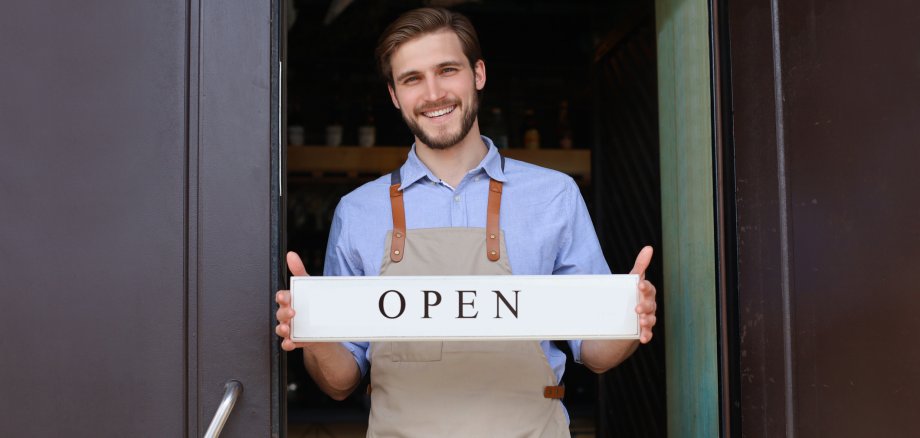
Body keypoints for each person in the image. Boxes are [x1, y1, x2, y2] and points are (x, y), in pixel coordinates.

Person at [275, 7, 658, 437]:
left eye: (447, 70)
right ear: (394, 95)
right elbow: (340, 382)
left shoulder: (554, 196)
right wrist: (313, 334)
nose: (433, 93)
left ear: (478, 74)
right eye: (412, 78)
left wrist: (629, 321)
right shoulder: (358, 212)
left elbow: (596, 351)